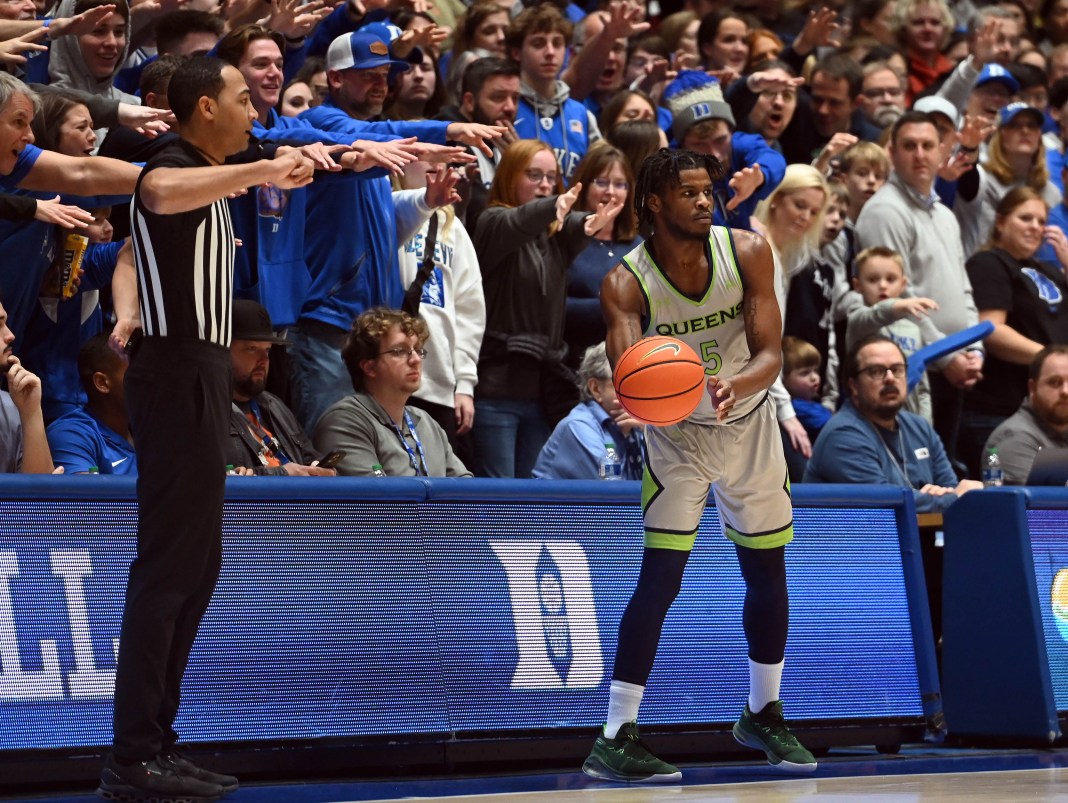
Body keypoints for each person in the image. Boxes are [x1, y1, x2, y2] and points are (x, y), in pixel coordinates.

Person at [99, 55, 315, 801]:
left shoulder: (212, 174)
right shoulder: (174, 164)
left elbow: (131, 253)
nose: (253, 108)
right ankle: (132, 757)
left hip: (199, 370)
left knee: (198, 568)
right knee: (166, 569)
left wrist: (124, 306)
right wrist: (256, 174)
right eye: (239, 97)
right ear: (202, 111)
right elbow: (151, 194)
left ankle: (158, 741)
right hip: (176, 371)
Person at [583, 149, 815, 783]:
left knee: (768, 569)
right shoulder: (625, 282)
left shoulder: (746, 252)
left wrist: (735, 383)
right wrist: (643, 400)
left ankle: (763, 711)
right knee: (660, 578)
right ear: (654, 203)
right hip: (680, 435)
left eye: (707, 191)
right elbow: (630, 370)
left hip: (750, 420)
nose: (703, 200)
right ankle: (616, 735)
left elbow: (771, 353)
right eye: (687, 193)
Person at [854, 110, 984, 463]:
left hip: (954, 364)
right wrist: (948, 357)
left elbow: (964, 288)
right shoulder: (885, 211)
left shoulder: (944, 214)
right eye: (909, 146)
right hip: (914, 368)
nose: (920, 154)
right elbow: (898, 298)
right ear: (892, 154)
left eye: (928, 145)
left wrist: (975, 349)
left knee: (946, 476)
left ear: (943, 151)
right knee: (921, 478)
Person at [805, 335, 984, 512]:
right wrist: (949, 497)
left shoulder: (919, 426)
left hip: (919, 537)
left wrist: (943, 496)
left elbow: (949, 486)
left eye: (897, 369)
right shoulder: (843, 434)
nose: (890, 378)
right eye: (876, 371)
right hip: (859, 539)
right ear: (853, 385)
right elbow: (885, 503)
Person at [960, 187, 1068, 477]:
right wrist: (1052, 361)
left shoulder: (1051, 270)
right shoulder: (990, 263)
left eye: (1041, 221)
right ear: (1000, 221)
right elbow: (991, 330)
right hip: (997, 410)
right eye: (1025, 218)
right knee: (1016, 499)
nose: (1035, 226)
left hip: (1051, 416)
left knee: (1054, 501)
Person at [312, 307, 472, 478]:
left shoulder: (427, 422)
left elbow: (465, 487)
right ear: (370, 367)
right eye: (400, 351)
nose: (416, 359)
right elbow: (378, 499)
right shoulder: (344, 422)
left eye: (418, 350)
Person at [226, 300, 336, 477]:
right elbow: (217, 478)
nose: (264, 360)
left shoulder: (273, 404)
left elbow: (308, 454)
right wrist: (283, 473)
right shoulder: (208, 412)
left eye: (267, 350)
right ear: (223, 351)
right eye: (252, 349)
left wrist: (316, 466)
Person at [564, 142, 641, 368]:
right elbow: (551, 306)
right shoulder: (563, 239)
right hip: (573, 364)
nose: (610, 191)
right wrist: (610, 306)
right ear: (583, 186)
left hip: (629, 366)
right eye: (601, 182)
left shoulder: (639, 246)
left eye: (620, 184)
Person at [507, 4, 601, 183]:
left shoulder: (582, 115)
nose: (550, 52)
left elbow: (600, 173)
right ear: (516, 53)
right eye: (538, 44)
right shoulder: (507, 108)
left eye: (557, 44)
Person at [846, 246, 940, 424]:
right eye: (873, 279)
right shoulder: (858, 322)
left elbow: (922, 388)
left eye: (891, 279)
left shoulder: (913, 330)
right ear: (857, 285)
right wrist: (898, 305)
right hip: (868, 421)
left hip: (910, 423)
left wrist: (924, 427)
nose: (882, 285)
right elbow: (873, 315)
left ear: (903, 284)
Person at [531, 342, 643, 480]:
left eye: (640, 384)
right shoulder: (578, 426)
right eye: (624, 384)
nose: (636, 394)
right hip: (555, 502)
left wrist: (652, 433)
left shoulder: (639, 426)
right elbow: (612, 490)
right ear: (596, 388)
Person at [45, 331, 135, 474]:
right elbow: (84, 496)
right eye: (136, 373)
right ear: (102, 383)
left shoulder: (155, 430)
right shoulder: (71, 434)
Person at [985, 344, 1068, 483]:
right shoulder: (1014, 437)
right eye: (1054, 382)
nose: (1065, 391)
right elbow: (1041, 503)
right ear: (1032, 388)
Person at [0, 296, 54, 473]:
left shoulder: (11, 407)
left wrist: (32, 414)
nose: (10, 335)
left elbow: (40, 496)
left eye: (5, 323)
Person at [781, 335, 831, 443]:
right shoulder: (796, 407)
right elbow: (830, 424)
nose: (814, 377)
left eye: (816, 370)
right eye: (805, 373)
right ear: (783, 380)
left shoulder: (810, 402)